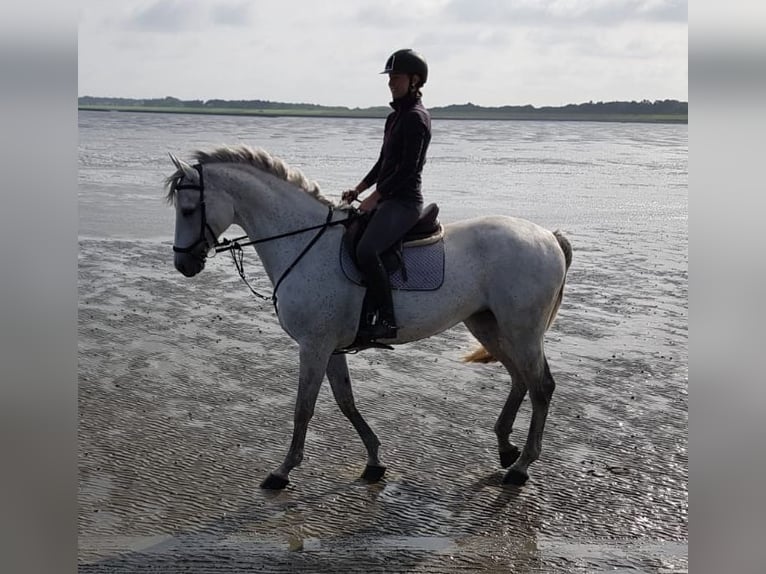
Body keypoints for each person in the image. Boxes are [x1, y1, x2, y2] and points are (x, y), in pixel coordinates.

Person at [342, 48, 432, 341]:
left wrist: (377, 197)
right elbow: (383, 163)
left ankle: (387, 320)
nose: (391, 82)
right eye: (390, 77)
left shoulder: (416, 119)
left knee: (367, 250)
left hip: (404, 203)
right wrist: (359, 188)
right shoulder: (395, 118)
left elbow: (408, 169)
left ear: (415, 81)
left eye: (397, 77)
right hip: (388, 197)